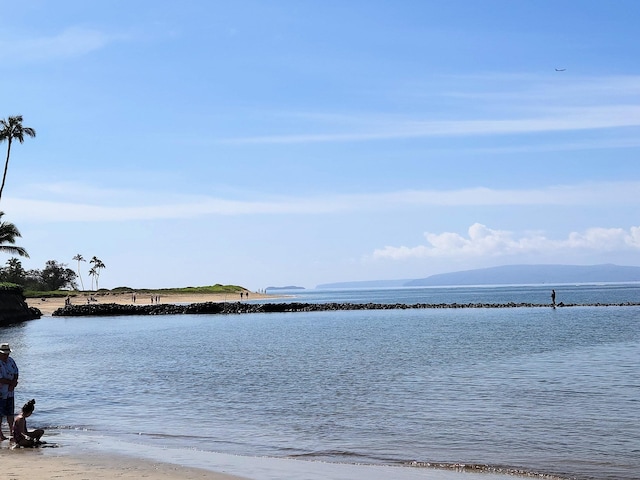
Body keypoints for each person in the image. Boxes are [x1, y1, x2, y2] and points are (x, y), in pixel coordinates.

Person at [0, 343, 18, 440]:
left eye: (7, 353)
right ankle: (0, 434)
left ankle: (12, 431)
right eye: (4, 354)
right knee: (0, 414)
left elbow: (16, 372)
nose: (6, 355)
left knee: (10, 413)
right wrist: (11, 383)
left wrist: (14, 381)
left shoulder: (11, 361)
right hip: (1, 393)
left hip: (10, 392)